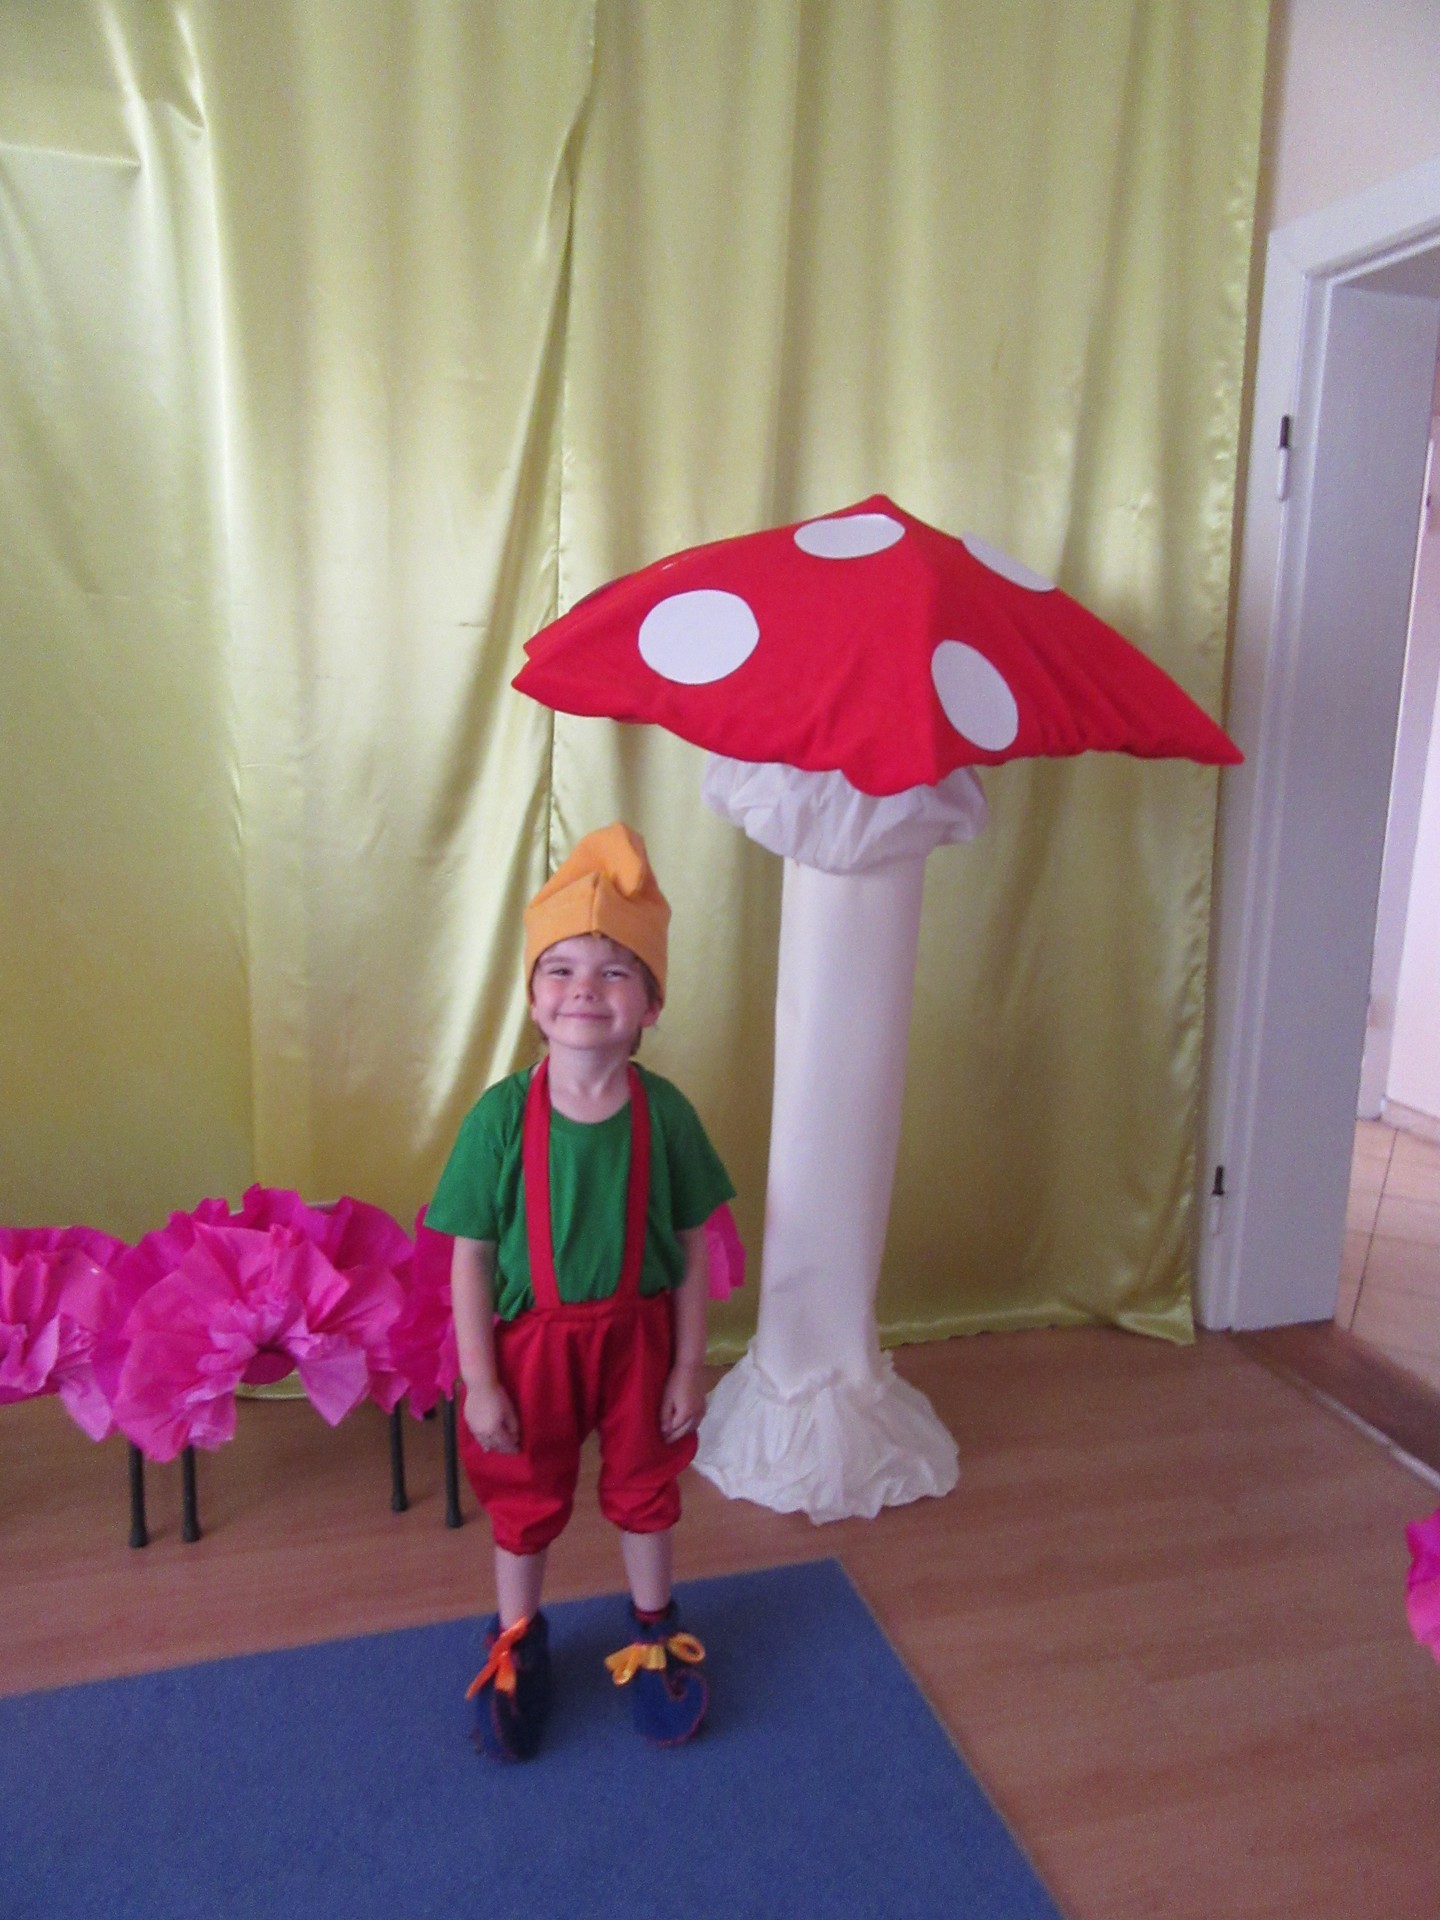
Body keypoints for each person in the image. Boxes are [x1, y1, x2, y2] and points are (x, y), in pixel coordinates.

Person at [427, 822, 735, 1760]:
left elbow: (692, 1245)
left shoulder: (666, 1114)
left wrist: (688, 1364)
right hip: (532, 1348)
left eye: (614, 972)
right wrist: (481, 1381)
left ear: (651, 1004)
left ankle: (653, 1630)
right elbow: (470, 1257)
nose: (585, 990)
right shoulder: (497, 1119)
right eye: (560, 970)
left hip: (640, 1341)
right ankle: (518, 1639)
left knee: (645, 1484)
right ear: (533, 998)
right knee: (524, 1494)